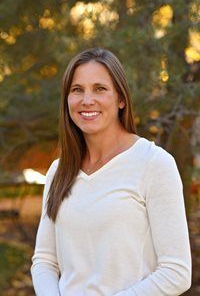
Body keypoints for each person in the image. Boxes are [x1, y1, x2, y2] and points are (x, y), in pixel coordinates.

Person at [31, 47, 191, 296]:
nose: (87, 100)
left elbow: (176, 272)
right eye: (77, 90)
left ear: (121, 99)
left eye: (99, 89)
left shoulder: (154, 164)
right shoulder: (59, 171)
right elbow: (45, 261)